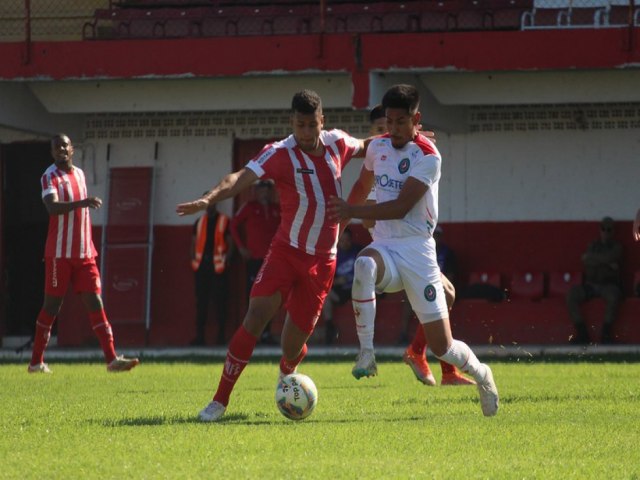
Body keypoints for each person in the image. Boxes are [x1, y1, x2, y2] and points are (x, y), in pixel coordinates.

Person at [176, 90, 364, 422]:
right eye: (299, 125)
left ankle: (286, 373)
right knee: (257, 314)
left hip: (322, 261)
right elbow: (237, 179)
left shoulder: (338, 143)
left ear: (323, 122)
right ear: (291, 122)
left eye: (311, 125)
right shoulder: (279, 153)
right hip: (286, 251)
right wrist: (208, 198)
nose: (305, 132)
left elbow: (367, 146)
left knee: (292, 346)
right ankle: (219, 400)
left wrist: (404, 138)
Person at [329, 84, 498, 416]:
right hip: (386, 248)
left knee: (443, 347)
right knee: (363, 265)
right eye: (388, 122)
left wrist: (352, 212)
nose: (392, 130)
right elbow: (363, 186)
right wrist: (340, 226)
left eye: (401, 122)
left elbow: (401, 207)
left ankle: (482, 374)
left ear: (416, 119)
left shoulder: (429, 156)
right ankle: (366, 352)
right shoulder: (378, 147)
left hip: (418, 251)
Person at [364, 107, 474, 387]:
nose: (387, 134)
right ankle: (424, 357)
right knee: (444, 296)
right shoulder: (378, 166)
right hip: (392, 254)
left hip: (411, 248)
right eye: (381, 129)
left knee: (447, 293)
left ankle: (428, 360)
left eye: (392, 127)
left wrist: (413, 142)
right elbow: (368, 217)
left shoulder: (410, 154)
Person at [28, 134, 140, 374]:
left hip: (84, 252)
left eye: (64, 145)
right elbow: (51, 207)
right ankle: (36, 362)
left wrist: (82, 205)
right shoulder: (49, 176)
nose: (61, 149)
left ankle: (111, 360)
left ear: (72, 149)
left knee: (95, 301)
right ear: (52, 152)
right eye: (56, 147)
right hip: (59, 254)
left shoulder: (79, 173)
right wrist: (81, 203)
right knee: (52, 306)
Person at [230, 179, 280, 344]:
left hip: (272, 260)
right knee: (253, 296)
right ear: (256, 192)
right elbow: (233, 225)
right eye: (261, 190)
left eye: (267, 190)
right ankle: (250, 334)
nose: (264, 193)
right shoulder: (249, 207)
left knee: (270, 296)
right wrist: (241, 248)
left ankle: (265, 333)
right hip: (254, 259)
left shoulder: (276, 209)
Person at [567, 216, 623, 344]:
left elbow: (609, 257)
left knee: (614, 296)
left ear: (613, 231)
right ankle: (582, 333)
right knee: (572, 295)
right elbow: (585, 260)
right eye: (603, 229)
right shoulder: (593, 245)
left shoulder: (617, 246)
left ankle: (606, 335)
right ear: (600, 230)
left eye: (609, 230)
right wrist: (607, 263)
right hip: (591, 285)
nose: (606, 232)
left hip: (608, 285)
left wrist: (593, 259)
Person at [190, 199, 234, 346]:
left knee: (220, 303)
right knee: (201, 303)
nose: (209, 206)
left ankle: (221, 336)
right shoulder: (199, 221)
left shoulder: (224, 220)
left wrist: (227, 260)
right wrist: (193, 261)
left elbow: (230, 241)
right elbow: (194, 242)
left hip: (219, 268)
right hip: (202, 267)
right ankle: (200, 337)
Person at [320, 227, 361, 345]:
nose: (344, 243)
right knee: (325, 295)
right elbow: (326, 280)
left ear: (351, 240)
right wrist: (338, 281)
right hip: (342, 291)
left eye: (347, 240)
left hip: (358, 289)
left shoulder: (358, 251)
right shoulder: (333, 256)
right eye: (342, 241)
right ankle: (329, 327)